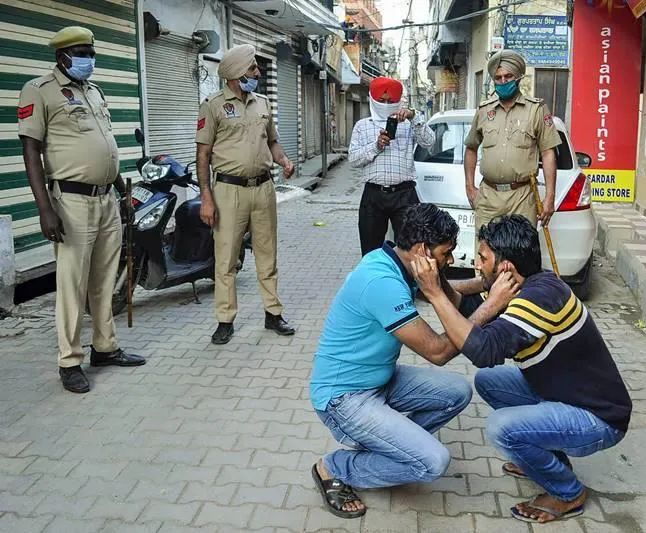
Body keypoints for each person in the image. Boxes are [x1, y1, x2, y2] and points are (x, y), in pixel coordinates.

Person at [411, 215, 632, 525]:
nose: (477, 263)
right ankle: (544, 456)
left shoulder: (536, 302)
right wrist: (435, 283)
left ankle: (567, 492)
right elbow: (467, 307)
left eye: (483, 258)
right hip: (566, 395)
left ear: (506, 269)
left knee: (503, 427)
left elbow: (481, 350)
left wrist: (434, 293)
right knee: (489, 382)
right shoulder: (536, 281)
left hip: (600, 419)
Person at [309, 204, 518, 518]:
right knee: (433, 462)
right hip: (344, 398)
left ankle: (392, 445)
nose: (451, 259)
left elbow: (447, 293)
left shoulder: (395, 262)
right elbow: (438, 352)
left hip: (379, 381)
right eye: (447, 253)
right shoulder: (382, 282)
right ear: (422, 250)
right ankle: (334, 467)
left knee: (457, 392)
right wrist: (491, 307)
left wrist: (485, 285)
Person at [17, 26, 146, 394]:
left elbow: (104, 145)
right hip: (70, 202)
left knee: (105, 279)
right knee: (72, 284)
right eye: (82, 52)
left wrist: (122, 190)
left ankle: (104, 347)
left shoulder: (93, 91)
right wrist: (44, 208)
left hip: (107, 199)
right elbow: (31, 151)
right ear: (62, 55)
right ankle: (69, 360)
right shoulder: (39, 90)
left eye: (92, 51)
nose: (89, 59)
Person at [196, 44, 296, 345]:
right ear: (237, 74)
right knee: (225, 258)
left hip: (263, 189)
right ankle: (225, 320)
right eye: (253, 68)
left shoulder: (262, 103)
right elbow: (202, 155)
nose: (258, 72)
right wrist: (206, 197)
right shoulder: (213, 106)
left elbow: (273, 142)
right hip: (228, 191)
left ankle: (273, 313)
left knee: (268, 255)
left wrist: (285, 161)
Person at [464, 49, 562, 253]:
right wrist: (469, 187)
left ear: (518, 78)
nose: (503, 81)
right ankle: (488, 288)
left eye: (508, 76)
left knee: (521, 258)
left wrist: (550, 197)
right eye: (498, 78)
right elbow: (471, 148)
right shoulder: (484, 110)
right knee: (486, 257)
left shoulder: (536, 109)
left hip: (522, 197)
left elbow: (548, 153)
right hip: (488, 196)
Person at [349, 76, 435, 256]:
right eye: (382, 101)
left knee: (411, 250)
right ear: (373, 100)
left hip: (405, 195)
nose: (386, 104)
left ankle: (406, 284)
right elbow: (354, 159)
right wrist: (377, 145)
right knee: (370, 252)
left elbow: (429, 142)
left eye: (391, 101)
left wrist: (414, 117)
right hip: (374, 195)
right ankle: (374, 283)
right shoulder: (362, 126)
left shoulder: (409, 124)